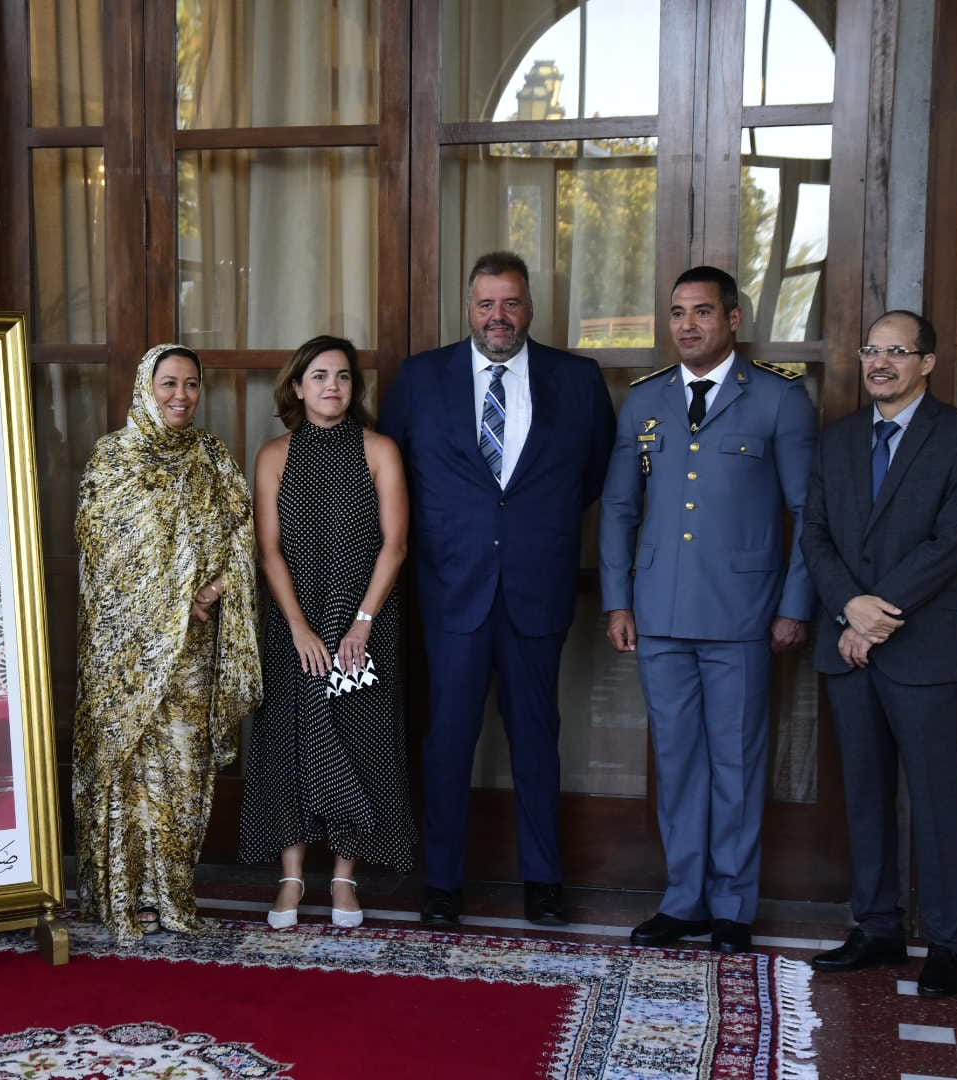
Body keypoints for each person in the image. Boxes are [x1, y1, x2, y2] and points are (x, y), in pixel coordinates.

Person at [379, 251, 614, 928]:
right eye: (486, 304)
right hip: (451, 590)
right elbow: (395, 479)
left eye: (510, 303)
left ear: (530, 306)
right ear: (468, 307)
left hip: (536, 589)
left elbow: (590, 477)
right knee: (447, 738)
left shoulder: (577, 380)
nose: (498, 317)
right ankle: (443, 882)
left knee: (537, 739)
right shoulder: (422, 379)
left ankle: (543, 880)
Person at [600, 265, 815, 954]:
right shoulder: (645, 403)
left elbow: (809, 515)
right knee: (678, 760)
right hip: (659, 614)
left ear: (733, 320)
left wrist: (793, 606)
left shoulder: (779, 401)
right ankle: (683, 899)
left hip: (742, 617)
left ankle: (732, 905)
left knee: (738, 763)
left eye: (701, 311)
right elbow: (618, 509)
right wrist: (617, 600)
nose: (687, 324)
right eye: (677, 312)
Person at [801, 310, 957, 998]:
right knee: (865, 794)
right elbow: (815, 533)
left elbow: (950, 542)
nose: (880, 363)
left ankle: (945, 939)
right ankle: (877, 927)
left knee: (937, 798)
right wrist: (848, 607)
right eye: (872, 350)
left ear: (927, 363)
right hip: (847, 645)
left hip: (923, 649)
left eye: (897, 352)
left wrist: (873, 615)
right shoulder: (837, 441)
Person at [72, 343, 261, 945]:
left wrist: (216, 588)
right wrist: (183, 595)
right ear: (144, 388)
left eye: (190, 384)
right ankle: (124, 897)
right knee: (128, 770)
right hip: (124, 656)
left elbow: (241, 534)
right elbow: (103, 552)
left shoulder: (212, 458)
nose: (180, 396)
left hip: (193, 653)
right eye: (168, 384)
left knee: (182, 772)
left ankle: (172, 894)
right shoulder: (112, 459)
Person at [239, 335, 416, 929]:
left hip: (365, 619)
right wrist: (297, 628)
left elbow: (395, 545)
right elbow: (268, 551)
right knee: (292, 741)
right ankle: (291, 878)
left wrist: (361, 623)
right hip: (295, 621)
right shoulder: (273, 455)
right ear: (297, 386)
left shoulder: (380, 449)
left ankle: (344, 878)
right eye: (318, 376)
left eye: (342, 376)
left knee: (359, 742)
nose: (332, 386)